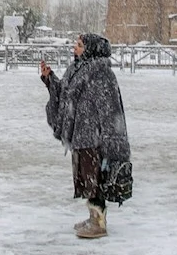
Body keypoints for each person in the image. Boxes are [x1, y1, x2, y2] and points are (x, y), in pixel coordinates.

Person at [39, 34, 132, 239]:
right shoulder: (77, 69)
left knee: (95, 178)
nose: (75, 48)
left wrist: (111, 140)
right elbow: (66, 94)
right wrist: (49, 79)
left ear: (91, 49)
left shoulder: (101, 73)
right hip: (81, 132)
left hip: (94, 136)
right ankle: (93, 216)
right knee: (86, 178)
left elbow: (110, 109)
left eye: (80, 45)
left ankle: (99, 222)